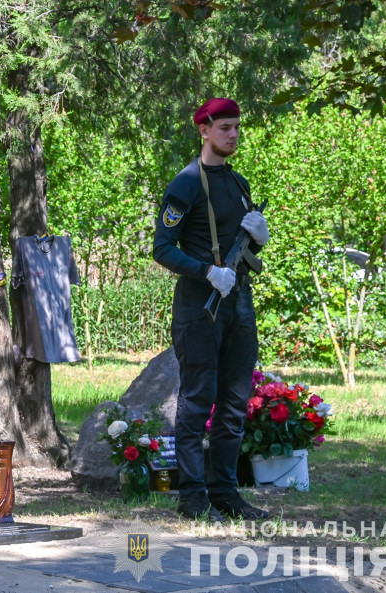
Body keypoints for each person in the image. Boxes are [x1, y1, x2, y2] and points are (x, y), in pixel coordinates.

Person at [153, 98, 270, 522]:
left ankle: (225, 493)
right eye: (224, 128)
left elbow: (242, 244)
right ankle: (192, 497)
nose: (233, 134)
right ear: (204, 130)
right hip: (199, 309)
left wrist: (257, 239)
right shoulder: (184, 184)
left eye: (236, 127)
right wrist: (206, 270)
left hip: (238, 303)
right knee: (198, 402)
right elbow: (162, 249)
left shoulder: (238, 183)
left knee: (236, 402)